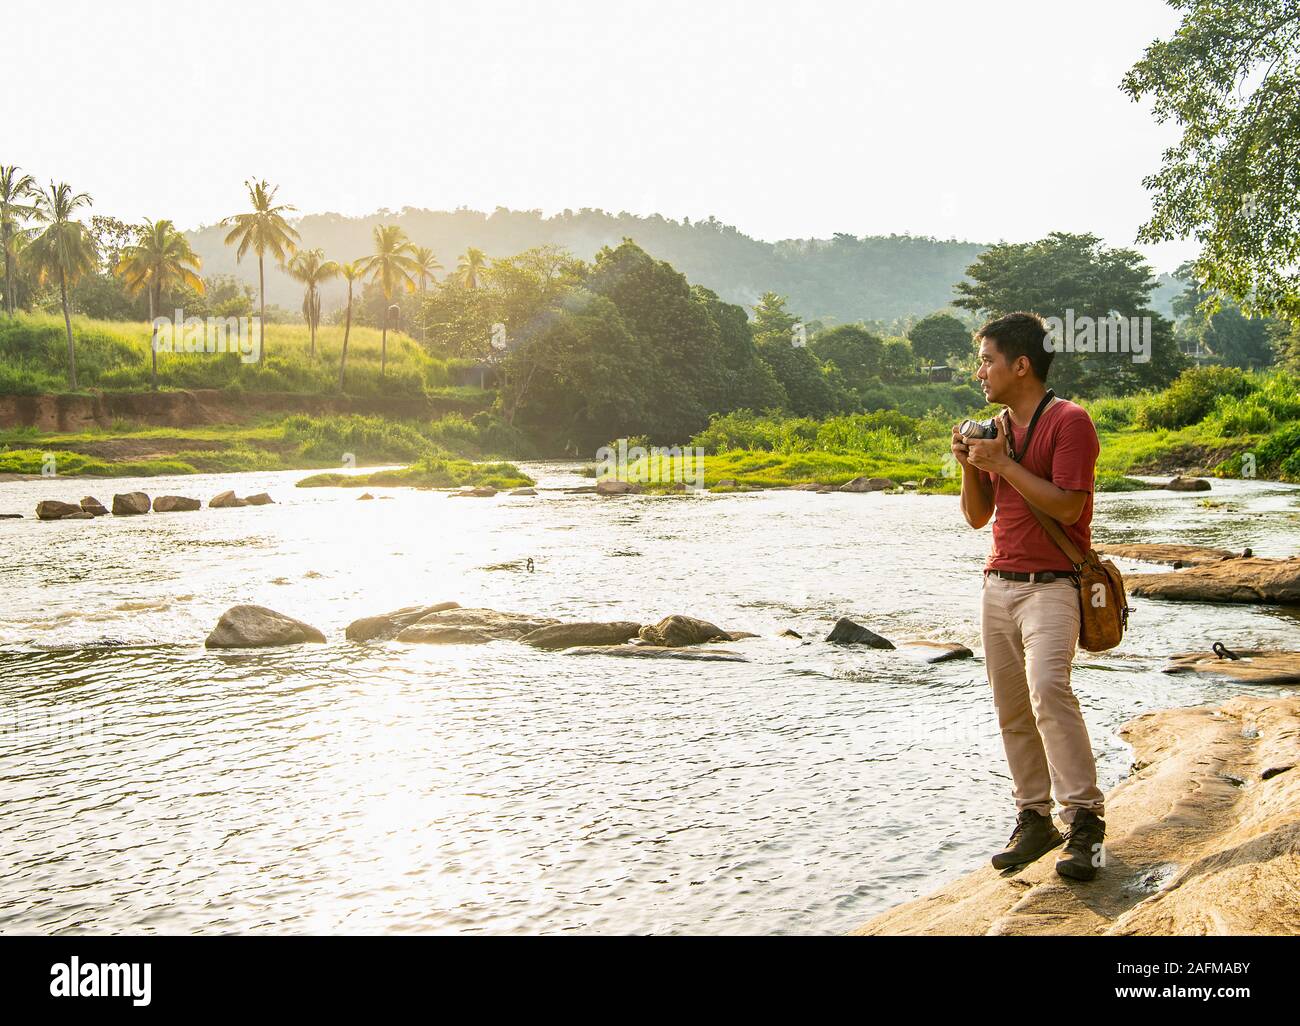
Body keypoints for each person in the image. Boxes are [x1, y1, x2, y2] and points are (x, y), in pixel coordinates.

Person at [951, 311, 1106, 881]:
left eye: (987, 360)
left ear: (1021, 365)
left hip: (1053, 587)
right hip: (998, 585)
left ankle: (1085, 822)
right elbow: (976, 517)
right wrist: (970, 464)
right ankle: (1034, 818)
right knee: (1013, 709)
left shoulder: (1070, 422)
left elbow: (1069, 507)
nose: (980, 372)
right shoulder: (992, 428)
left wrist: (1004, 464)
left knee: (1049, 691)